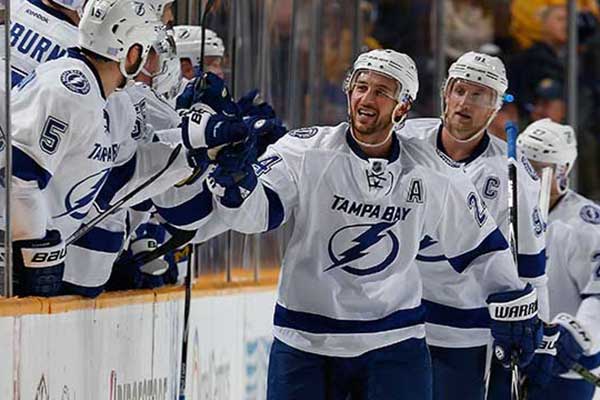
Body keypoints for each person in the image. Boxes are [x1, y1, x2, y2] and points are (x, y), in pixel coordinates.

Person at [205, 48, 541, 399]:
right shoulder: (304, 151)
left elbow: (481, 247)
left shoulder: (433, 170)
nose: (367, 97)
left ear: (402, 108)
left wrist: (513, 302)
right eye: (361, 86)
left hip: (394, 344)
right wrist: (236, 186)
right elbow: (258, 214)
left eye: (382, 91)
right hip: (305, 341)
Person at [401, 51, 547, 400]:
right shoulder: (405, 139)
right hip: (394, 323)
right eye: (459, 90)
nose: (464, 102)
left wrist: (537, 325)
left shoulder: (514, 174)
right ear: (445, 94)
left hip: (461, 331)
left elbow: (532, 262)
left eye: (479, 95)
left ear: (495, 107)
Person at [517, 118, 600, 400]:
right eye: (523, 164)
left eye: (540, 169)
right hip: (507, 357)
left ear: (564, 171)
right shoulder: (500, 210)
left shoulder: (587, 225)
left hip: (564, 369)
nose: (529, 176)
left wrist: (578, 334)